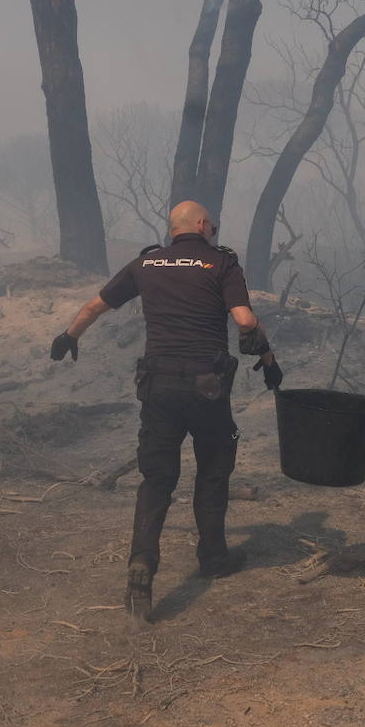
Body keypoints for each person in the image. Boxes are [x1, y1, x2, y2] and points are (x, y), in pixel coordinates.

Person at [51, 200, 283, 622]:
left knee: (157, 479)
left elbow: (94, 307)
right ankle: (213, 558)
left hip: (156, 388)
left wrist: (69, 336)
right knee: (214, 468)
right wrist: (267, 360)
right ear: (199, 224)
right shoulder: (221, 263)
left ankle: (142, 562)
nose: (213, 228)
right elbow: (246, 320)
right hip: (208, 390)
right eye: (211, 222)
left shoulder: (147, 264)